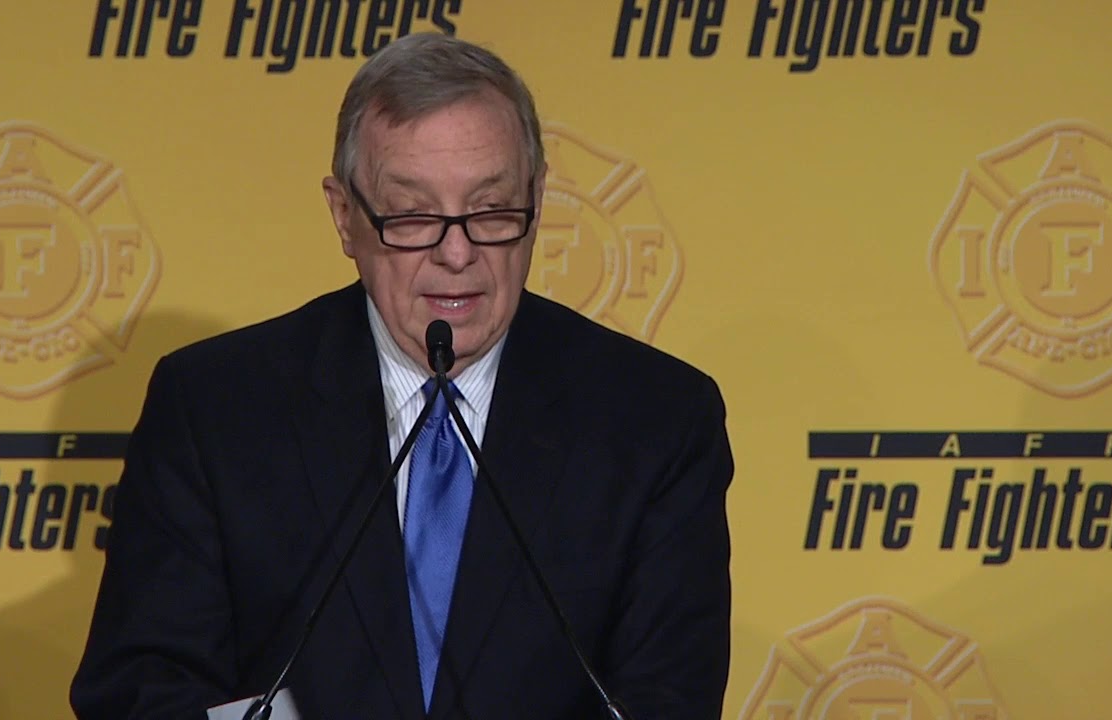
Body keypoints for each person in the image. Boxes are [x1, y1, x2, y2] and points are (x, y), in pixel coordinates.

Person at [70, 32, 732, 720]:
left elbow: (668, 698)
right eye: (414, 216)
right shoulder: (214, 409)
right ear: (344, 216)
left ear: (537, 201)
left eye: (491, 210)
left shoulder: (655, 421)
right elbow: (140, 690)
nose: (457, 253)